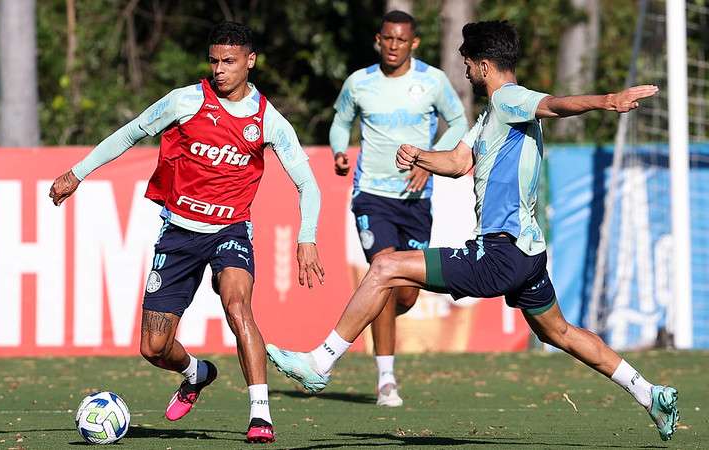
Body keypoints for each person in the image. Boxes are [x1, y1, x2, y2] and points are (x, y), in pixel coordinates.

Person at [267, 20, 679, 442]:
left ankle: (321, 362)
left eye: (467, 62)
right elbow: (459, 162)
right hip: (527, 252)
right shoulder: (490, 117)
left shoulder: (510, 99)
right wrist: (420, 157)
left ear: (484, 65)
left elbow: (555, 105)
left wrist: (610, 100)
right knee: (560, 332)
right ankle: (650, 393)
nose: (464, 69)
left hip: (500, 253)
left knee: (385, 266)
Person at [49, 21, 324, 444]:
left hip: (230, 230)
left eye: (229, 62)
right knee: (154, 348)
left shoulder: (268, 121)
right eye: (214, 61)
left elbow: (307, 183)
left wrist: (307, 237)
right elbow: (131, 132)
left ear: (250, 62)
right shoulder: (186, 101)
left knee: (238, 307)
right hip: (178, 232)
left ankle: (260, 414)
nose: (219, 70)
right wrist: (77, 173)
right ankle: (197, 373)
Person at [329, 10, 468, 407]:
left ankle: (378, 317)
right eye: (387, 39)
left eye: (400, 40)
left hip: (416, 200)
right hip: (372, 196)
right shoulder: (359, 82)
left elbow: (458, 121)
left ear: (414, 43)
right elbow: (340, 122)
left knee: (404, 293)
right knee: (385, 276)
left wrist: (430, 159)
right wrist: (340, 150)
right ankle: (386, 380)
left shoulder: (432, 81)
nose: (393, 46)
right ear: (378, 39)